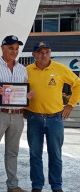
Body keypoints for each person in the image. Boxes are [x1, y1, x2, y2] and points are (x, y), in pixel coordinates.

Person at [0, 35, 34, 192]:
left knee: (13, 152)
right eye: (11, 48)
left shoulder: (22, 69)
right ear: (2, 48)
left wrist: (27, 96)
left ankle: (12, 185)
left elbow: (22, 91)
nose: (14, 51)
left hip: (17, 115)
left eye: (17, 48)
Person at [26, 41, 80, 192]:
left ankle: (56, 186)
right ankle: (37, 185)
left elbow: (77, 83)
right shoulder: (27, 71)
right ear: (34, 55)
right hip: (34, 118)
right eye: (40, 52)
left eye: (47, 52)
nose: (44, 55)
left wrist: (70, 104)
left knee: (55, 155)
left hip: (55, 119)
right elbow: (20, 92)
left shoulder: (60, 69)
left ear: (50, 53)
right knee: (35, 154)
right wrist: (24, 105)